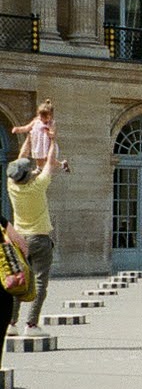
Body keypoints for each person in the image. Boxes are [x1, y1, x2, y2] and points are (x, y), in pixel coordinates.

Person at [6, 143, 61, 336]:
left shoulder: (11, 186)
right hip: (39, 239)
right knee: (39, 282)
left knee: (18, 282)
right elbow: (49, 164)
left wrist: (28, 140)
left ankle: (11, 323)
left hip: (19, 240)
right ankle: (31, 325)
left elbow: (18, 160)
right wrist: (52, 139)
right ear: (29, 175)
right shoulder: (38, 186)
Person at [12, 98, 68, 171]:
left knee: (49, 160)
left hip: (46, 145)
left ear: (49, 117)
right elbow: (27, 127)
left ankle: (62, 164)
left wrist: (48, 133)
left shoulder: (51, 123)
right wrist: (18, 129)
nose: (42, 119)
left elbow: (53, 134)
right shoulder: (36, 121)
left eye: (44, 118)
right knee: (38, 158)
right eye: (41, 117)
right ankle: (39, 168)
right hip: (37, 144)